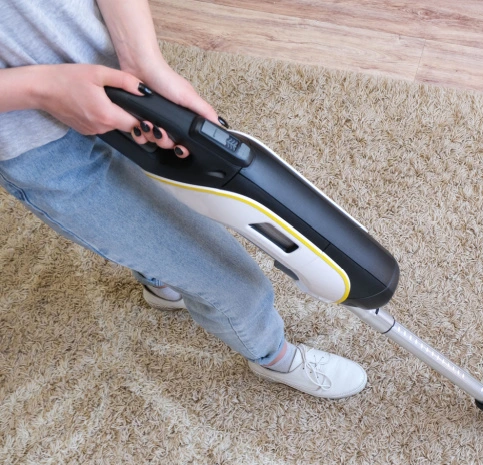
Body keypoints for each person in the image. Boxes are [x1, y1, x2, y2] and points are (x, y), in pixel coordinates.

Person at [0, 0, 367, 399]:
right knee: (235, 284)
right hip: (35, 143)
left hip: (124, 89)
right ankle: (272, 357)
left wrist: (144, 62)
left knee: (168, 231)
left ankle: (160, 283)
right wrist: (44, 89)